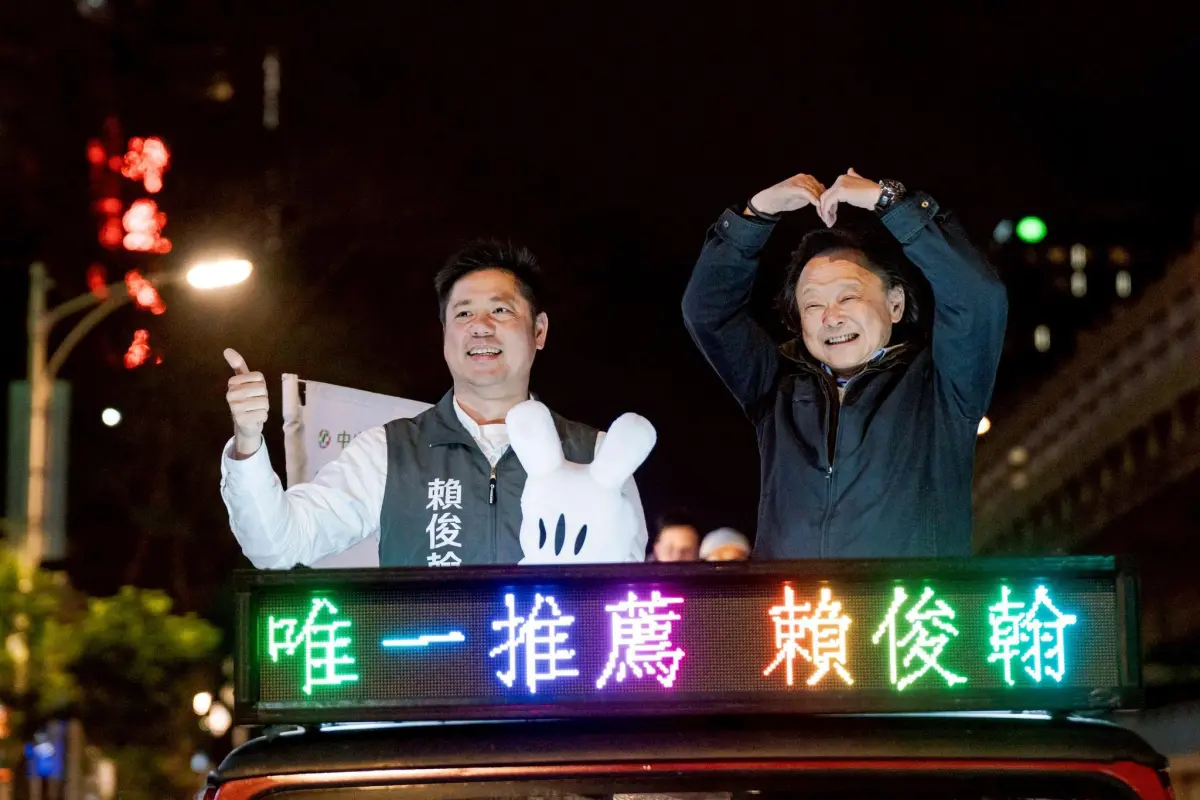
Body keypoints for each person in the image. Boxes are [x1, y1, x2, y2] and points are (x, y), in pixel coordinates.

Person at [221, 240, 649, 568]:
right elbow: (277, 545)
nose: (480, 327)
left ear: (539, 330)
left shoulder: (598, 455)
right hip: (427, 662)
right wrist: (248, 443)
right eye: (463, 314)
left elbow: (629, 591)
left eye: (501, 311)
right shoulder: (389, 452)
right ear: (444, 333)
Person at [682, 168, 1007, 558]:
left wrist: (888, 202)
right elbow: (707, 312)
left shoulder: (941, 386)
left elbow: (977, 299)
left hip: (906, 598)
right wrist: (756, 213)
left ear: (895, 304)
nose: (831, 317)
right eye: (813, 304)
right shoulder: (777, 384)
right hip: (794, 598)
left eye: (848, 297)